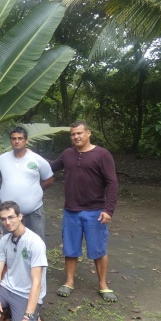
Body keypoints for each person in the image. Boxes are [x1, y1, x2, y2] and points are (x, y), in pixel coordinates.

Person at [49, 121, 119, 302]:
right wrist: (28, 155)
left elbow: (112, 183)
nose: (76, 137)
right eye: (73, 134)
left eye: (79, 133)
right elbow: (50, 167)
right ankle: (69, 282)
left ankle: (103, 285)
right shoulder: (67, 154)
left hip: (95, 211)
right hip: (71, 210)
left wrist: (108, 209)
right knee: (70, 249)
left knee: (98, 249)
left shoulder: (102, 154)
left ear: (89, 133)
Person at [0, 126, 54, 240]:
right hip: (8, 213)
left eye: (20, 138)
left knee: (36, 243)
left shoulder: (37, 159)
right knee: (9, 244)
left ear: (26, 140)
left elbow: (49, 179)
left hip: (33, 211)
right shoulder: (1, 159)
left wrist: (35, 189)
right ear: (10, 140)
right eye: (14, 138)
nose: (17, 141)